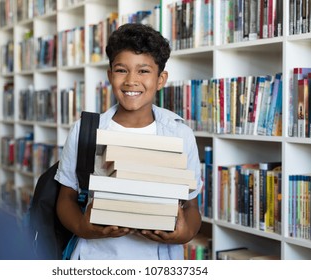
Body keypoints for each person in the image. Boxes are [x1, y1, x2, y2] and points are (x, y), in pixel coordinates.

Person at [54, 23, 203, 260]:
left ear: (161, 79)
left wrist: (183, 234)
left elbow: (192, 207)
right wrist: (84, 228)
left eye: (143, 71)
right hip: (96, 257)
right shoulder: (87, 130)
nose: (131, 81)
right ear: (110, 75)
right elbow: (66, 197)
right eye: (122, 70)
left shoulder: (180, 134)